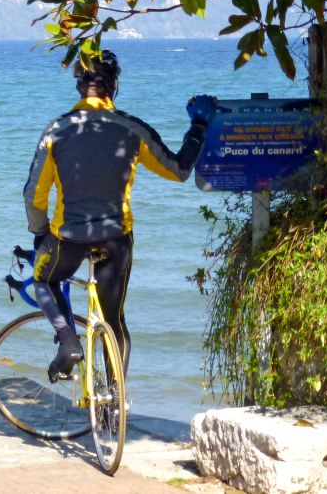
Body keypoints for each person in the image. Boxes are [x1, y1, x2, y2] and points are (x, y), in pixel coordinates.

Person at [22, 50, 216, 381]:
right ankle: (115, 403)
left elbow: (33, 194)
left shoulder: (55, 131)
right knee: (114, 320)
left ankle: (68, 342)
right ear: (114, 86)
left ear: (80, 88)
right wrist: (198, 125)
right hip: (116, 239)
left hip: (68, 238)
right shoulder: (131, 128)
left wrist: (40, 232)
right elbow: (180, 169)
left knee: (44, 278)